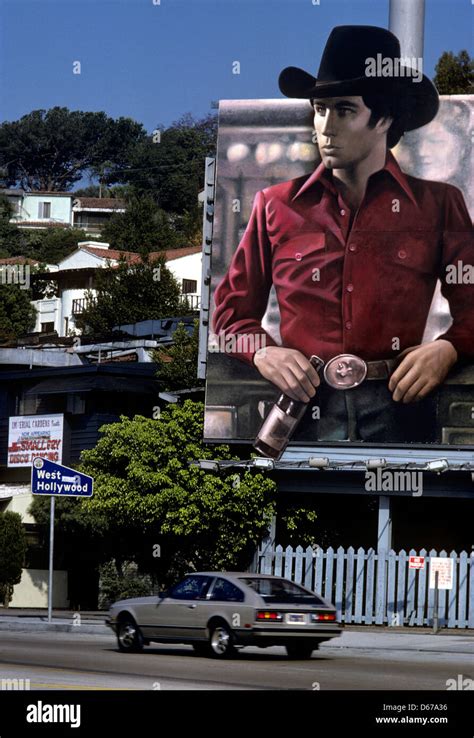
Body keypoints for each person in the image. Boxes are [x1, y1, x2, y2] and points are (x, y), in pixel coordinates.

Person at [212, 26, 473, 443]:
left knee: (404, 508)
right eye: (319, 109)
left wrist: (449, 348)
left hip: (402, 412)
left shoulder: (438, 205)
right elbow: (229, 317)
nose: (325, 127)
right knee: (297, 507)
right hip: (300, 415)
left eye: (344, 110)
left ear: (384, 117)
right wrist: (263, 350)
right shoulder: (275, 205)